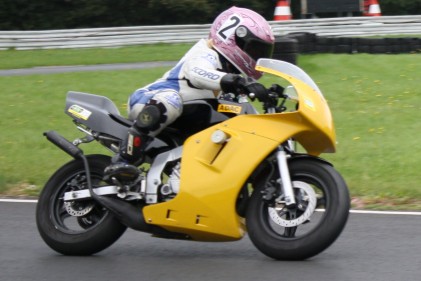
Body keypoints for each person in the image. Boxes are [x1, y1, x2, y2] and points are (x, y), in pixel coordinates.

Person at [104, 6, 275, 183]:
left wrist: (267, 100)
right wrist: (238, 82)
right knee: (171, 101)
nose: (256, 56)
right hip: (151, 99)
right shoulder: (207, 54)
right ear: (232, 36)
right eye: (255, 50)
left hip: (184, 117)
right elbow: (196, 72)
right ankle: (123, 160)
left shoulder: (231, 76)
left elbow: (244, 111)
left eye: (262, 53)